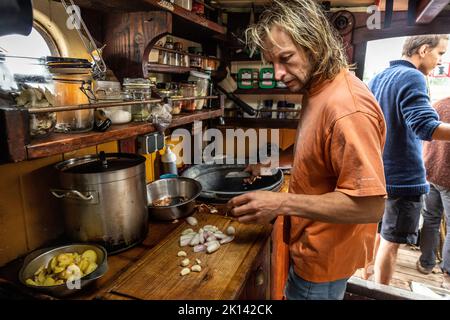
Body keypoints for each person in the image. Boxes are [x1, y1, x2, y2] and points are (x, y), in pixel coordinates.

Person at [227, 0, 387, 300]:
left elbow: (370, 206)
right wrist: (275, 161)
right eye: (271, 62)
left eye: (286, 58)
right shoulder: (317, 87)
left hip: (324, 258)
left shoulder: (347, 108)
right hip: (312, 245)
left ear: (314, 44)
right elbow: (316, 145)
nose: (278, 73)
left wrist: (279, 204)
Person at [368, 35, 450, 285]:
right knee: (391, 246)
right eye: (440, 54)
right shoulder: (414, 76)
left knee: (381, 236)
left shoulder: (379, 77)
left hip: (380, 174)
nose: (439, 61)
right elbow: (425, 126)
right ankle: (380, 292)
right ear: (424, 49)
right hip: (403, 179)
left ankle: (369, 280)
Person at [417, 97, 450, 290]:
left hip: (429, 171)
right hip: (447, 177)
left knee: (430, 218)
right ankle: (447, 270)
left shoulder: (438, 104)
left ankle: (426, 262)